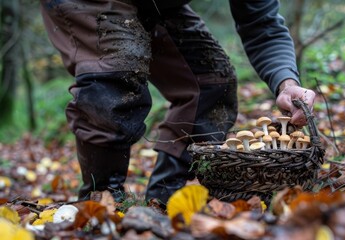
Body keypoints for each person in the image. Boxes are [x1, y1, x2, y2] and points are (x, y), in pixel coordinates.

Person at [39, 0, 316, 206]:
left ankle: (164, 201)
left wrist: (286, 83)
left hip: (158, 4)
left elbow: (262, 24)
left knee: (211, 81)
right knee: (116, 73)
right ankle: (100, 207)